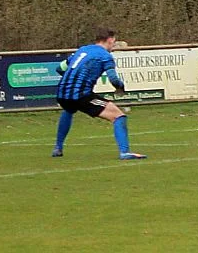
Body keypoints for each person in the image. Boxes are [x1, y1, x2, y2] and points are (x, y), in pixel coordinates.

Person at [51, 27, 146, 160]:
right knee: (119, 116)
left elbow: (60, 68)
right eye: (114, 42)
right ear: (110, 40)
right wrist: (120, 88)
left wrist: (73, 80)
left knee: (69, 109)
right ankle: (125, 152)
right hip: (82, 95)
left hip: (62, 93)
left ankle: (58, 148)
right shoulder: (105, 56)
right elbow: (113, 78)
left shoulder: (82, 50)